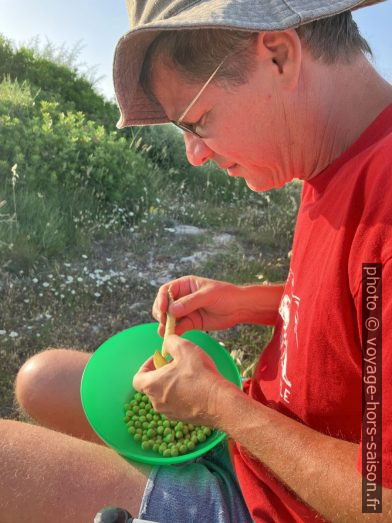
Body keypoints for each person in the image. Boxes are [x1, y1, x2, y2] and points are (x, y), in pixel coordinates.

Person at [1, 0, 391, 521]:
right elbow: (365, 306)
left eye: (199, 121)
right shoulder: (330, 155)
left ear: (277, 56)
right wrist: (247, 302)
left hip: (280, 504)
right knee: (39, 378)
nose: (194, 154)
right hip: (254, 442)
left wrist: (221, 407)